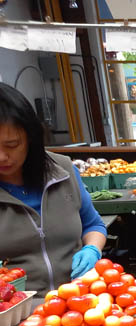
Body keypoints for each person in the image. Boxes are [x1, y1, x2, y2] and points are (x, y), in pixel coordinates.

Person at [0, 83, 107, 295]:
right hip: (16, 310)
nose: (2, 157)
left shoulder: (62, 170)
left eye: (12, 145)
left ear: (31, 139)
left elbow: (93, 225)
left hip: (79, 301)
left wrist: (92, 249)